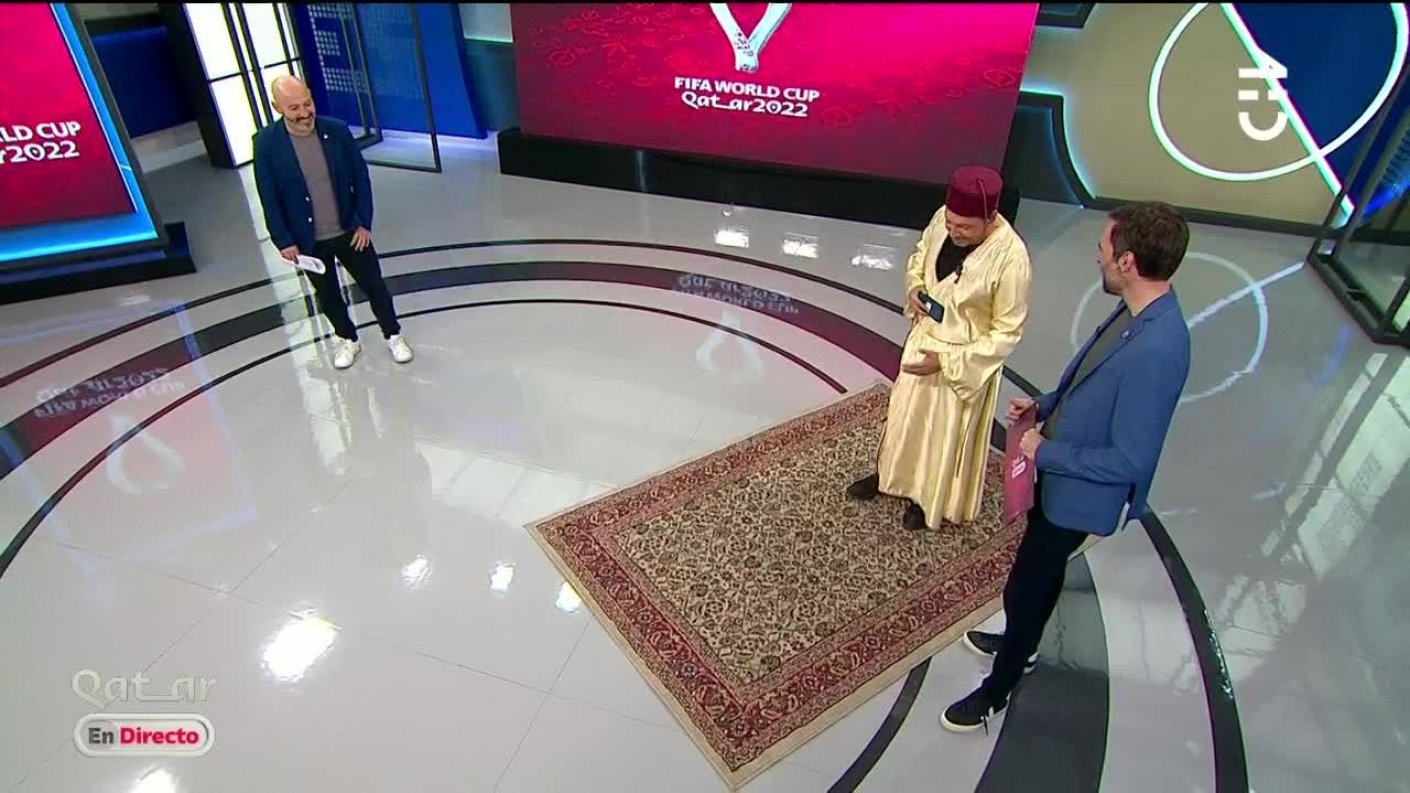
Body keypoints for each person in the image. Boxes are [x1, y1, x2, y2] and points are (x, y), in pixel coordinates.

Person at [941, 201, 1192, 733]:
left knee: (1026, 586)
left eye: (1103, 248)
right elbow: (1089, 382)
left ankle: (999, 687)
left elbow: (1129, 459)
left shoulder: (1158, 349)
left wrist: (1043, 451)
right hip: (1057, 480)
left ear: (1127, 261)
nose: (1096, 256)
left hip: (1077, 495)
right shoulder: (1135, 312)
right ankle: (1022, 642)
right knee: (1038, 577)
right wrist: (1046, 406)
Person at [846, 166, 1031, 531]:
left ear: (990, 218)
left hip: (962, 360)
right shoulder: (944, 219)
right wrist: (915, 288)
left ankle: (925, 498)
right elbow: (920, 256)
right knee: (904, 417)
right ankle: (889, 476)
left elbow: (1007, 332)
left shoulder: (1012, 259)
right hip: (924, 339)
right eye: (950, 223)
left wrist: (947, 362)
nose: (954, 231)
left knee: (940, 435)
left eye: (965, 227)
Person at [252, 75, 412, 370]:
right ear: (277, 107)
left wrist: (363, 222)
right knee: (327, 295)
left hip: (350, 231)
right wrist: (284, 240)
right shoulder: (266, 144)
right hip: (308, 240)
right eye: (294, 108)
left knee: (374, 286)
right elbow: (269, 196)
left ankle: (393, 335)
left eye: (307, 103)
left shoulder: (336, 131)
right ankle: (347, 339)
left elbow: (360, 178)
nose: (304, 113)